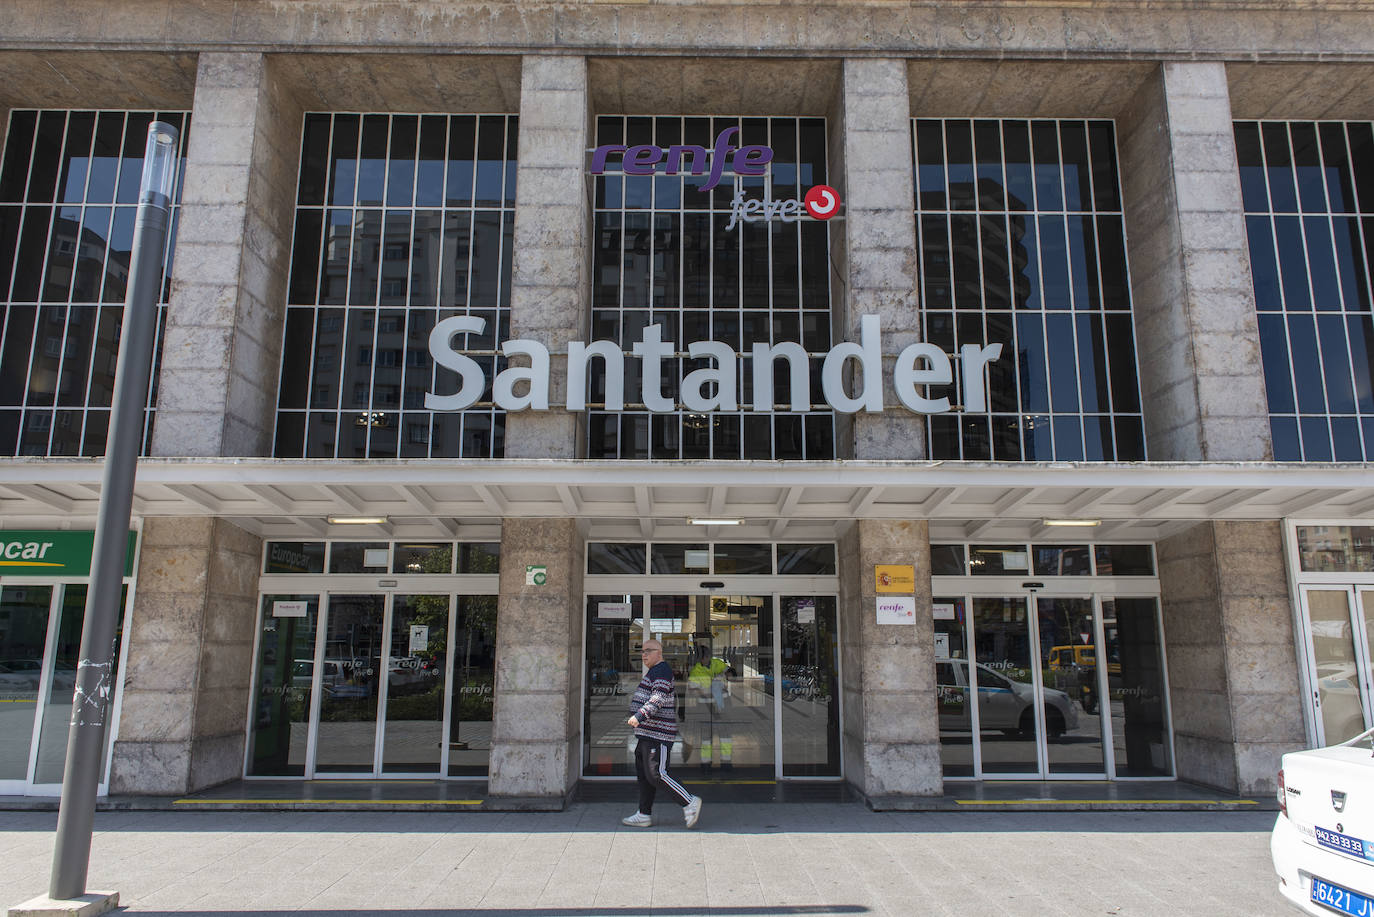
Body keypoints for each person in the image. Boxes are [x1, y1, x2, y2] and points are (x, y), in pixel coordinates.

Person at [622, 639, 702, 828]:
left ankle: (689, 802)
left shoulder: (662, 670)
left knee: (658, 773)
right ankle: (644, 814)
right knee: (645, 776)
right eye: (642, 651)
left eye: (648, 651)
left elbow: (658, 697)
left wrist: (640, 715)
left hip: (658, 735)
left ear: (659, 652)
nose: (644, 655)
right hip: (646, 734)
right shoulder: (654, 671)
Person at [687, 642, 732, 772]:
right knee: (706, 737)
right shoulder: (696, 671)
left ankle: (726, 762)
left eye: (707, 656)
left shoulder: (716, 663)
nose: (706, 659)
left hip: (722, 705)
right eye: (704, 657)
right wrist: (706, 691)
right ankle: (706, 764)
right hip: (705, 707)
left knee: (725, 735)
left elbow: (730, 673)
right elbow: (692, 690)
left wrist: (725, 675)